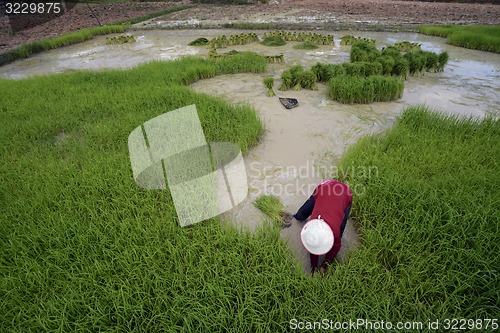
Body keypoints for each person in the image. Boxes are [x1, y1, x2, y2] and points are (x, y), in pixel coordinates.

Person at [294, 180, 352, 274]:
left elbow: (336, 247)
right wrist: (314, 268)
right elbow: (313, 249)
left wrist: (325, 265)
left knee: (340, 231)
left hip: (345, 193)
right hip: (324, 187)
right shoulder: (311, 225)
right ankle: (293, 217)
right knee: (299, 216)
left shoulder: (334, 231)